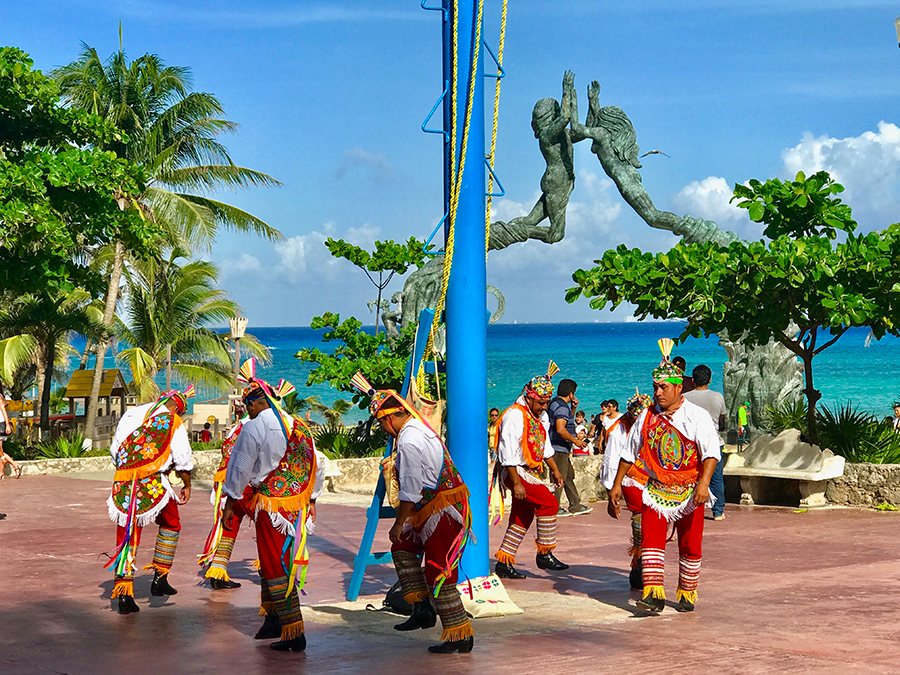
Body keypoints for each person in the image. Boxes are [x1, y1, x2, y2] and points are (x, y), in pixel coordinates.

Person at [350, 373, 474, 655]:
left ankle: (459, 633)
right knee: (403, 548)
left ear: (389, 418)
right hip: (430, 507)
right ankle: (422, 609)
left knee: (439, 572)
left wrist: (398, 523)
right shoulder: (416, 427)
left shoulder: (408, 440)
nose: (383, 429)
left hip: (443, 510)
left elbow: (411, 488)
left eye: (381, 423)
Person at [607, 339, 720, 613]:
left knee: (690, 542)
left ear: (679, 387)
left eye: (663, 387)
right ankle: (654, 594)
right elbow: (628, 452)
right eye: (655, 387)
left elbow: (711, 454)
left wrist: (704, 484)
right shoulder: (646, 416)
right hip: (656, 489)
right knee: (651, 538)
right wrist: (616, 485)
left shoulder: (697, 416)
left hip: (690, 489)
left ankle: (687, 593)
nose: (657, 392)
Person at [222, 378, 318, 652]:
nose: (247, 411)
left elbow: (240, 466)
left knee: (274, 564)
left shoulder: (255, 426)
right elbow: (316, 463)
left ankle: (293, 631)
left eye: (247, 406)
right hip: (296, 506)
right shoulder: (299, 425)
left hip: (271, 505)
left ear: (254, 403)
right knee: (280, 560)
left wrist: (230, 501)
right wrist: (312, 498)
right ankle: (274, 620)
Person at [105, 386, 195, 615]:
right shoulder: (172, 421)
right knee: (172, 523)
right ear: (176, 407)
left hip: (124, 482)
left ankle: (124, 593)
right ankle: (160, 577)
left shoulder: (131, 414)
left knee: (127, 536)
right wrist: (186, 484)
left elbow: (115, 451)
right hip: (154, 483)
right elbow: (182, 458)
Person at [493, 362, 568, 579]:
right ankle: (545, 552)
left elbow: (544, 447)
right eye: (541, 402)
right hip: (515, 471)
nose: (544, 407)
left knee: (522, 516)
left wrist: (555, 469)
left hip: (529, 471)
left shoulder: (538, 416)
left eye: (546, 403)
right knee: (549, 503)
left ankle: (504, 561)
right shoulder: (514, 415)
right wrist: (516, 483)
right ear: (530, 397)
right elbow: (506, 452)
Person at [602, 389, 653, 589]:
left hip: (651, 479)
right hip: (632, 479)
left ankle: (643, 569)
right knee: (640, 522)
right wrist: (611, 493)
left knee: (653, 524)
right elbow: (611, 462)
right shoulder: (618, 432)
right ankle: (640, 570)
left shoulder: (653, 427)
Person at [684, 365, 728, 521]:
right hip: (714, 442)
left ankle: (689, 507)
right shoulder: (718, 397)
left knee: (690, 477)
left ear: (692, 380)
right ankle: (718, 511)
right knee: (716, 478)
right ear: (709, 379)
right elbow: (723, 419)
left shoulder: (685, 398)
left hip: (692, 444)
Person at [548, 379, 591, 516]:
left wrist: (573, 409)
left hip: (560, 448)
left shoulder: (555, 403)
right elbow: (561, 429)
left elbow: (567, 421)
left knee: (568, 476)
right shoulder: (561, 406)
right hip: (559, 448)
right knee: (559, 477)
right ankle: (554, 507)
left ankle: (575, 504)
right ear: (571, 394)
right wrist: (575, 441)